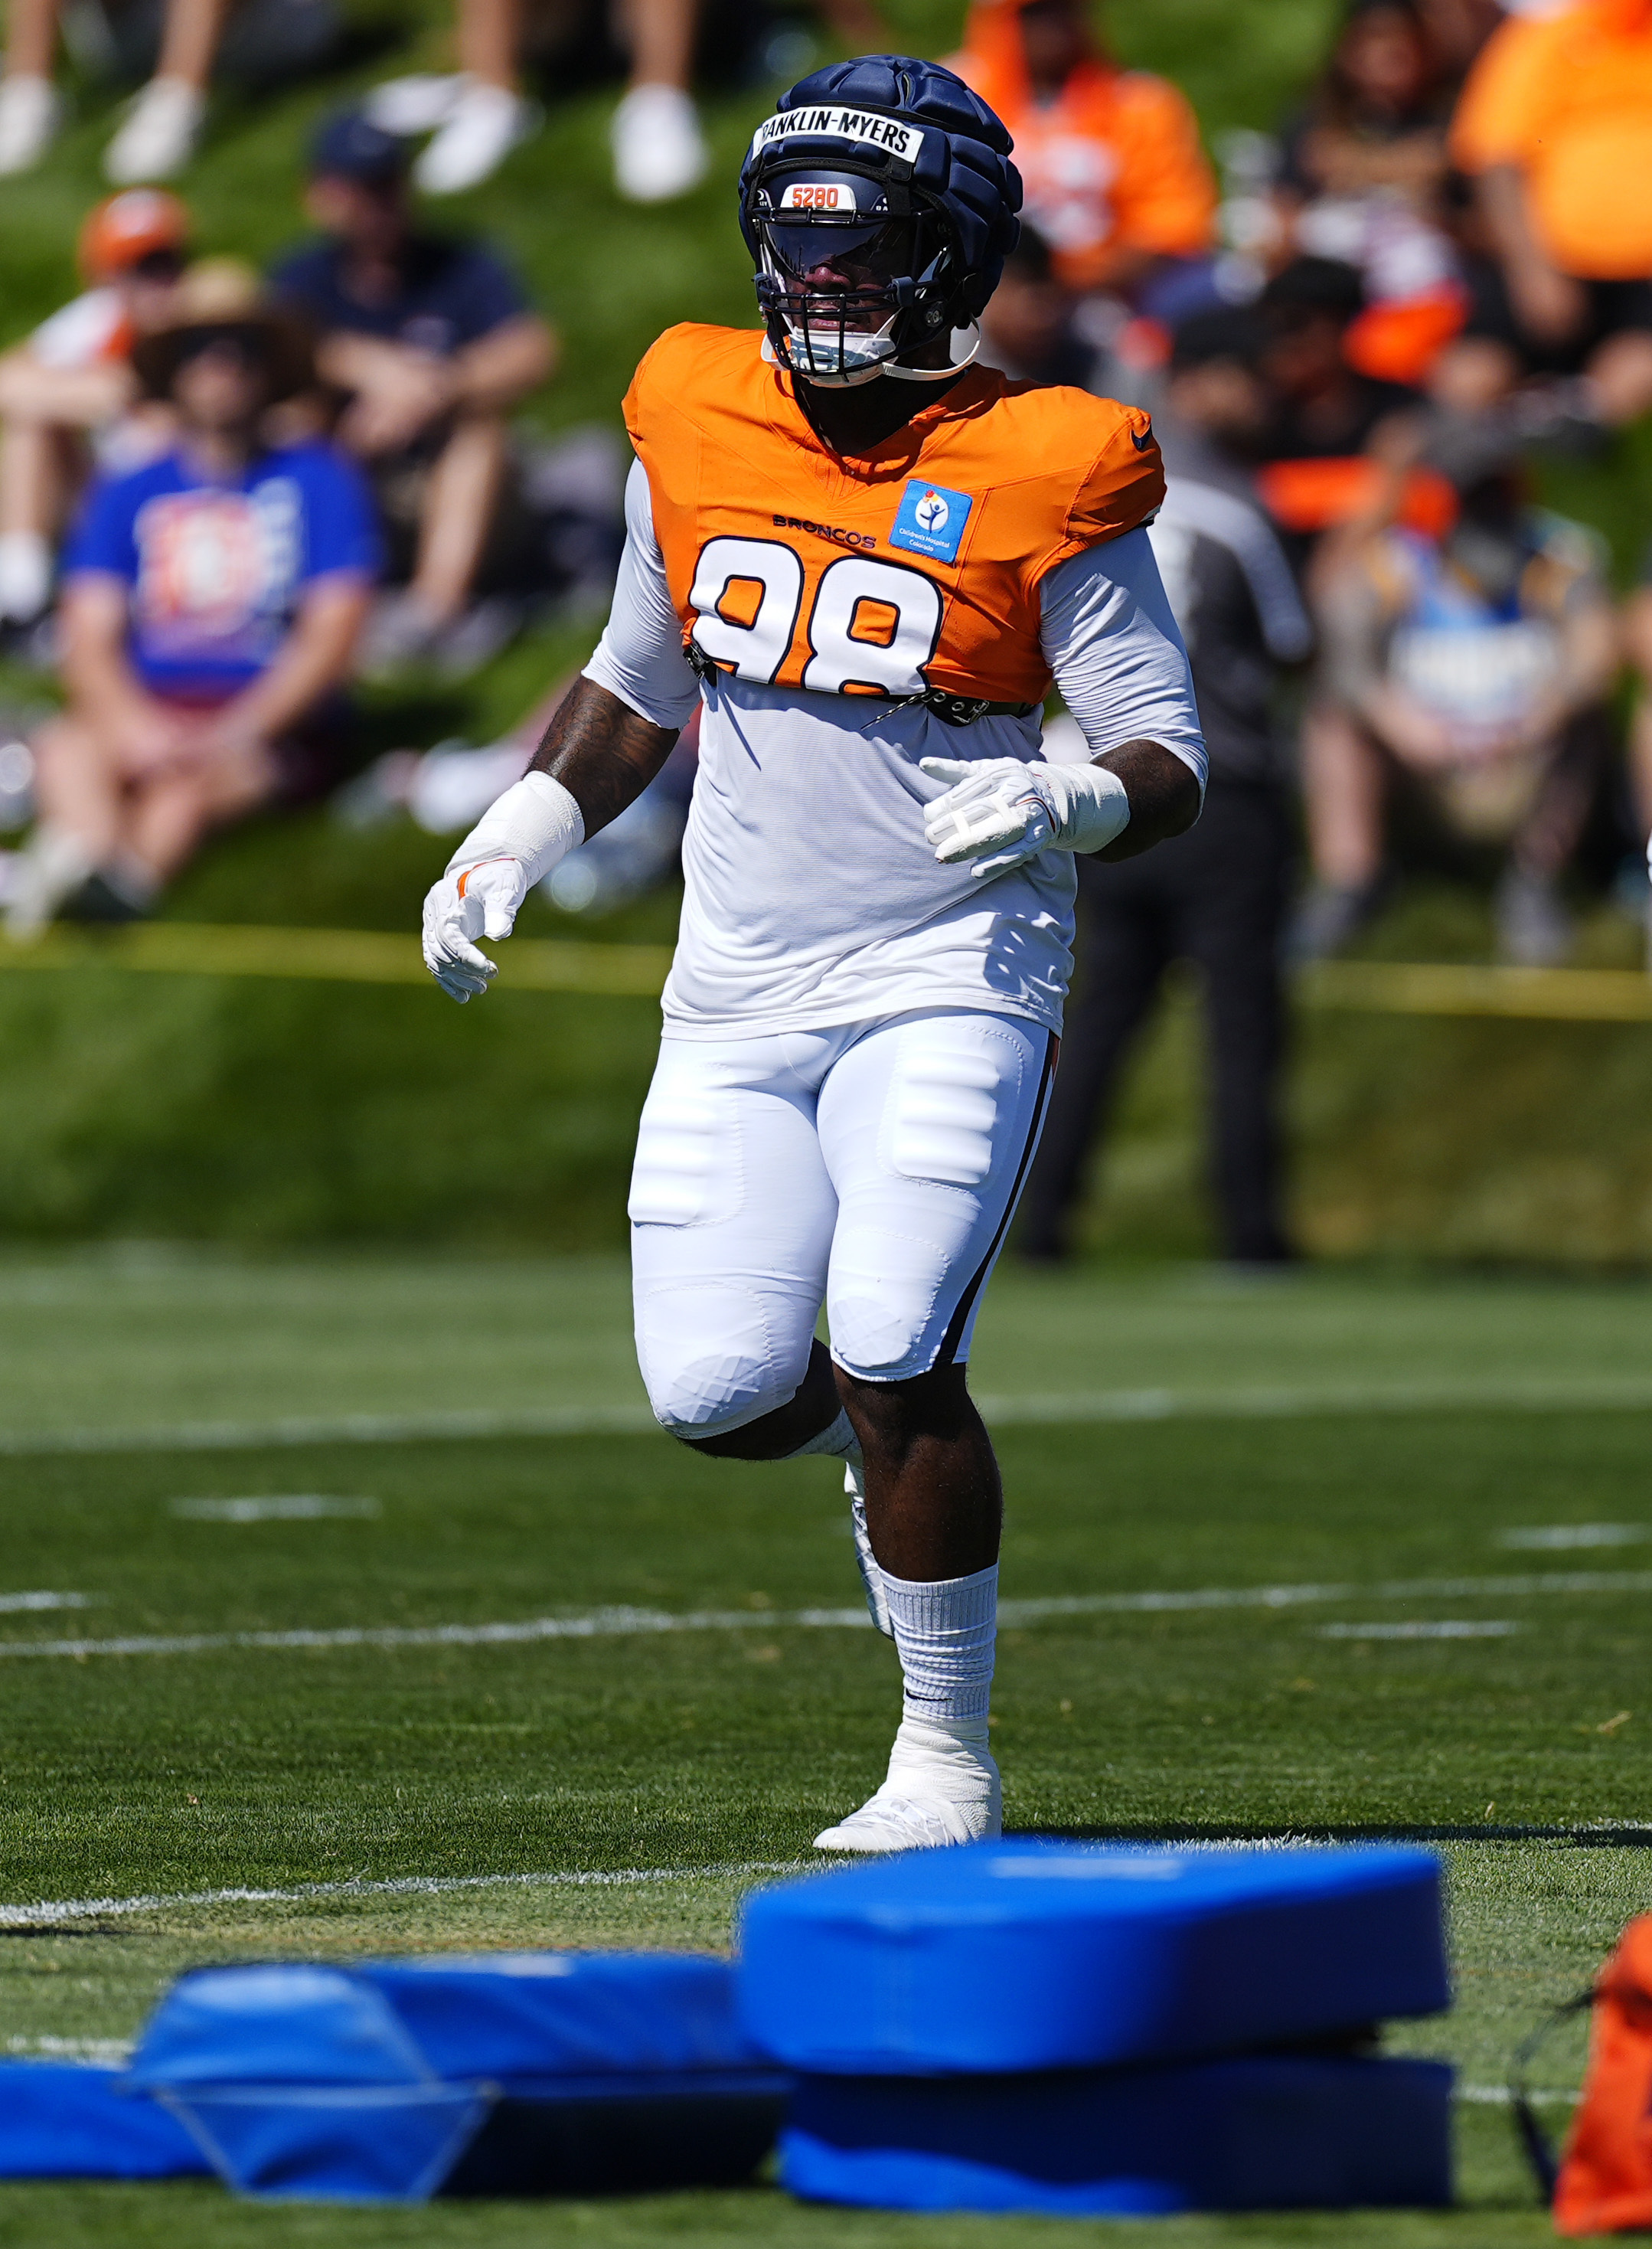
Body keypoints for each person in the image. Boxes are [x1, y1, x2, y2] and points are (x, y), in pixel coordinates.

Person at [422, 58, 1205, 1853]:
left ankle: (943, 1754)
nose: (825, 286)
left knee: (892, 1338)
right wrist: (517, 831)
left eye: (867, 256)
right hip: (739, 982)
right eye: (799, 249)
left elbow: (1171, 749)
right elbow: (636, 680)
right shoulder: (695, 403)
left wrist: (1069, 806)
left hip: (954, 958)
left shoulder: (1051, 458)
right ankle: (875, 1449)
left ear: (959, 257)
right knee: (717, 1394)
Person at [1019, 309, 1310, 1267]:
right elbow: (1290, 646)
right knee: (1240, 1021)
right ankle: (1249, 1232)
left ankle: (1041, 1221)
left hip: (1099, 792)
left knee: (1096, 1013)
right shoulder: (1236, 506)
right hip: (1216, 789)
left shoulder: (1081, 497)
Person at [7, 263, 378, 934]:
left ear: (267, 365)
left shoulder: (321, 477)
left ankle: (97, 888)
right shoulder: (128, 486)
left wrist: (241, 728)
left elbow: (333, 631)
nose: (221, 364)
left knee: (182, 796)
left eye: (240, 346)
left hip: (269, 717)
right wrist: (134, 724)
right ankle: (99, 876)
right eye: (200, 347)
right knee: (66, 748)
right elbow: (87, 630)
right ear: (173, 367)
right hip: (149, 702)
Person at [1299, 430, 1618, 964]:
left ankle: (1535, 880)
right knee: (1333, 720)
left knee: (1588, 724)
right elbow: (1340, 647)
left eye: (1499, 493)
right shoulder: (1396, 564)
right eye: (1473, 497)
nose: (1488, 511)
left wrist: (1551, 707)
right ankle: (1349, 882)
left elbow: (1597, 649)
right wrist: (1392, 716)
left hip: (1522, 759)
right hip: (1424, 764)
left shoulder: (1554, 557)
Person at [269, 107, 557, 672]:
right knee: (297, 419)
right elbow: (272, 356)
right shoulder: (301, 279)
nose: (380, 204)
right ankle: (303, 596)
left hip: (453, 487)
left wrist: (438, 388)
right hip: (355, 472)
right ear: (322, 195)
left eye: (389, 183)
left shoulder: (460, 265)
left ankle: (433, 614)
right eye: (362, 188)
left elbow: (534, 350)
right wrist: (367, 368)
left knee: (482, 425)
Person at [1445, 0, 1652, 427]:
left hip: (1642, 279)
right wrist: (1533, 271)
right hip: (1547, 263)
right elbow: (1495, 157)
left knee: (1634, 380)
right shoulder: (1546, 35)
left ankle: (1580, 454)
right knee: (1469, 378)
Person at [0, 190, 191, 629]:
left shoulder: (207, 320)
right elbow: (10, 381)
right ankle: (21, 602)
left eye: (166, 263)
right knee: (31, 424)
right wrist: (107, 393)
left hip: (189, 501)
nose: (157, 284)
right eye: (141, 269)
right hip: (110, 499)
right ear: (108, 278)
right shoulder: (97, 323)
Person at [950, 0, 1217, 308]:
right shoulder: (957, 97)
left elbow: (1172, 226)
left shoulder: (1139, 102)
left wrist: (1070, 283)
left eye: (1064, 10)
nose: (1051, 26)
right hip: (982, 292)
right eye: (1033, 13)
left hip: (1108, 297)